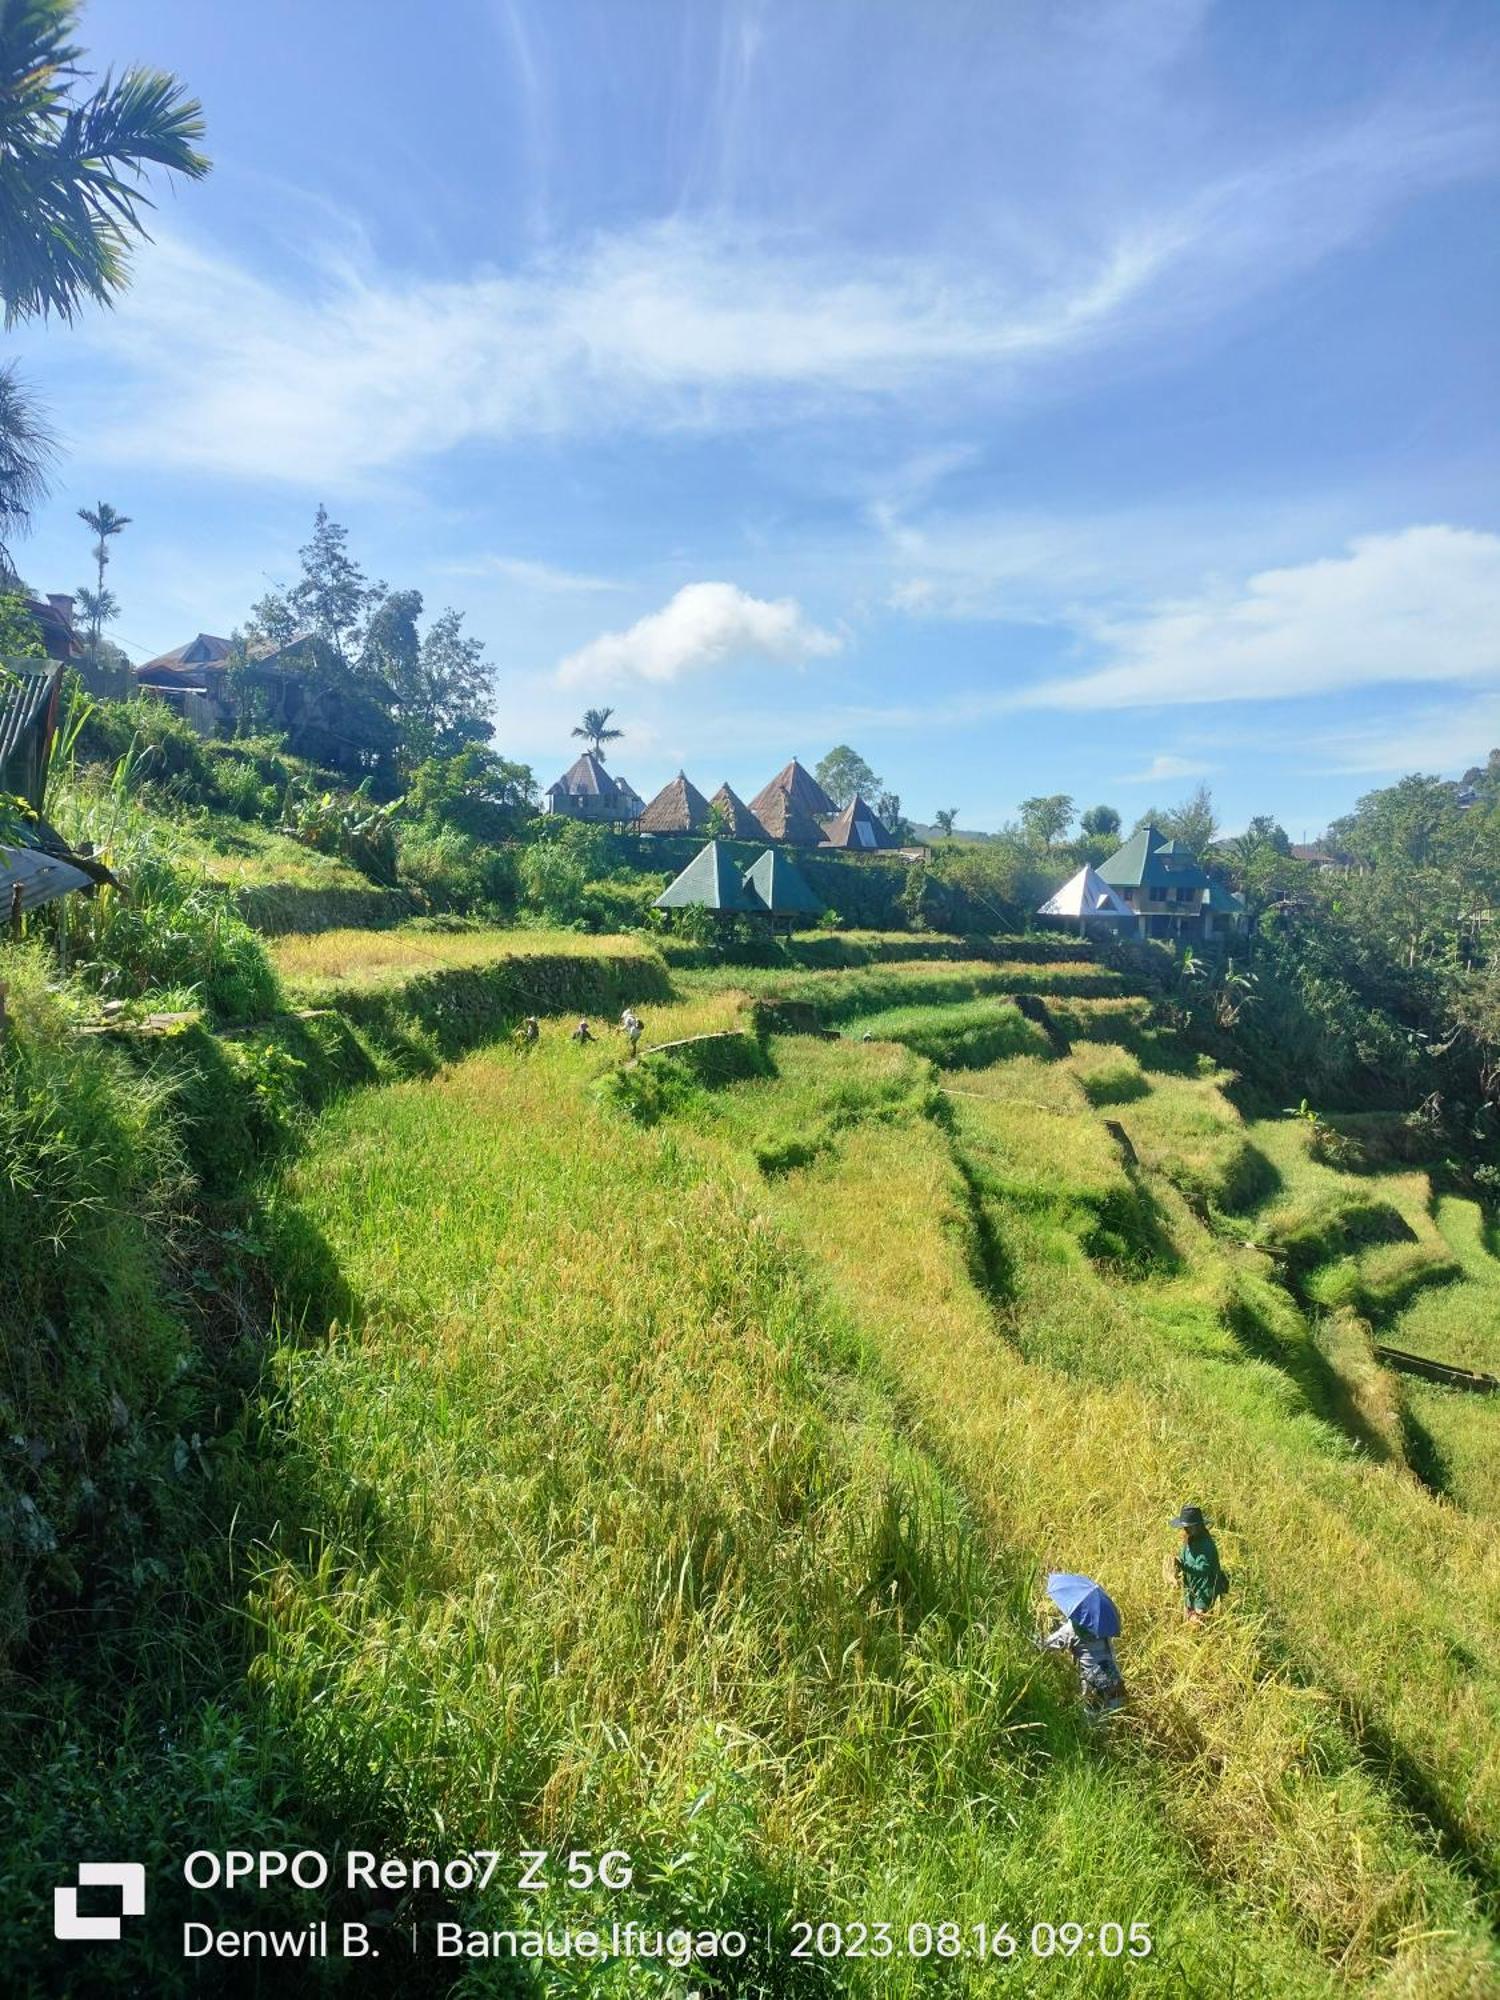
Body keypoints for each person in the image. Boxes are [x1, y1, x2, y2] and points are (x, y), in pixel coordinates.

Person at [1039, 1611, 1126, 1719]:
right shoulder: (1101, 1625)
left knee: (1092, 1722)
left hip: (1094, 1678)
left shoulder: (1071, 1628)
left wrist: (1036, 1640)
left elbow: (1046, 1645)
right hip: (1114, 1677)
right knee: (1115, 1719)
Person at [1171, 1504, 1227, 1623]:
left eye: (1189, 1527)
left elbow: (1203, 1570)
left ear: (1198, 1526)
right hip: (1190, 1589)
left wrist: (1182, 1565)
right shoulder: (1189, 1540)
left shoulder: (1205, 1544)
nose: (1185, 1530)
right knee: (1187, 1622)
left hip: (1205, 1590)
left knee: (1196, 1625)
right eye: (1184, 1527)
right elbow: (1183, 1559)